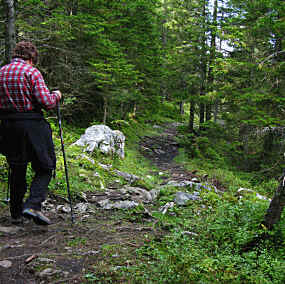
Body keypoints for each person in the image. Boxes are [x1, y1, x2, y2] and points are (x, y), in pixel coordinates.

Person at [0, 41, 61, 225]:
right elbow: (46, 102)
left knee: (17, 167)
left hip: (7, 125)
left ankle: (16, 213)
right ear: (31, 57)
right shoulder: (31, 72)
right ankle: (33, 205)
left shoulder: (1, 72)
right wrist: (56, 96)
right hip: (32, 125)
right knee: (45, 166)